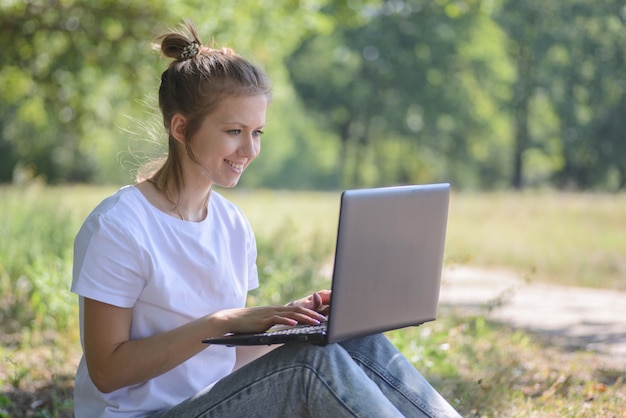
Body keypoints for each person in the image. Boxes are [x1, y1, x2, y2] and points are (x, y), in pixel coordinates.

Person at [70, 20, 462, 418]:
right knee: (309, 367)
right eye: (234, 130)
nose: (249, 149)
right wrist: (222, 321)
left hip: (212, 402)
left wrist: (289, 327)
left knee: (352, 340)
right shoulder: (119, 226)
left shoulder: (231, 224)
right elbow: (107, 371)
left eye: (257, 132)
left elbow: (227, 362)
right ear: (181, 128)